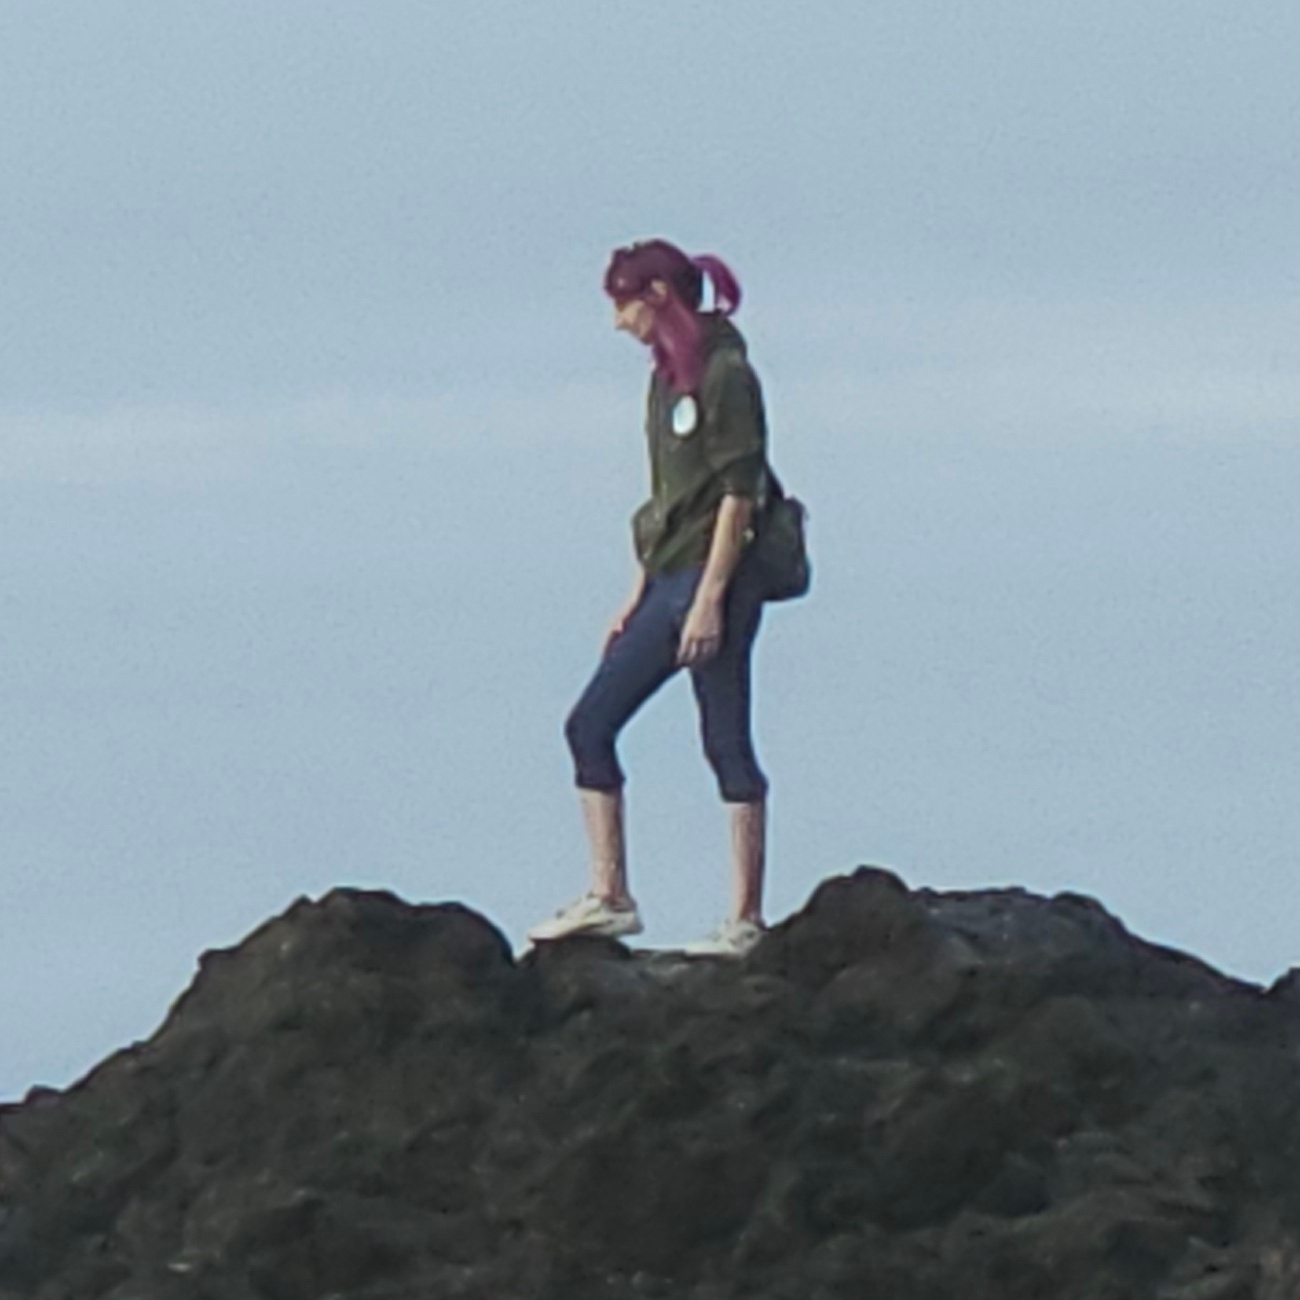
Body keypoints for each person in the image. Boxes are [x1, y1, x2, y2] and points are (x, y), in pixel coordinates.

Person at [528, 239, 776, 957]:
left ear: (658, 296)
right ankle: (611, 895)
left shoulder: (727, 374)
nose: (618, 322)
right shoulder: (667, 378)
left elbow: (739, 494)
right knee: (589, 724)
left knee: (725, 739)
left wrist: (710, 600)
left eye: (623, 304)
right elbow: (668, 499)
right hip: (667, 579)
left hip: (714, 581)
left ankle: (745, 920)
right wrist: (638, 593)